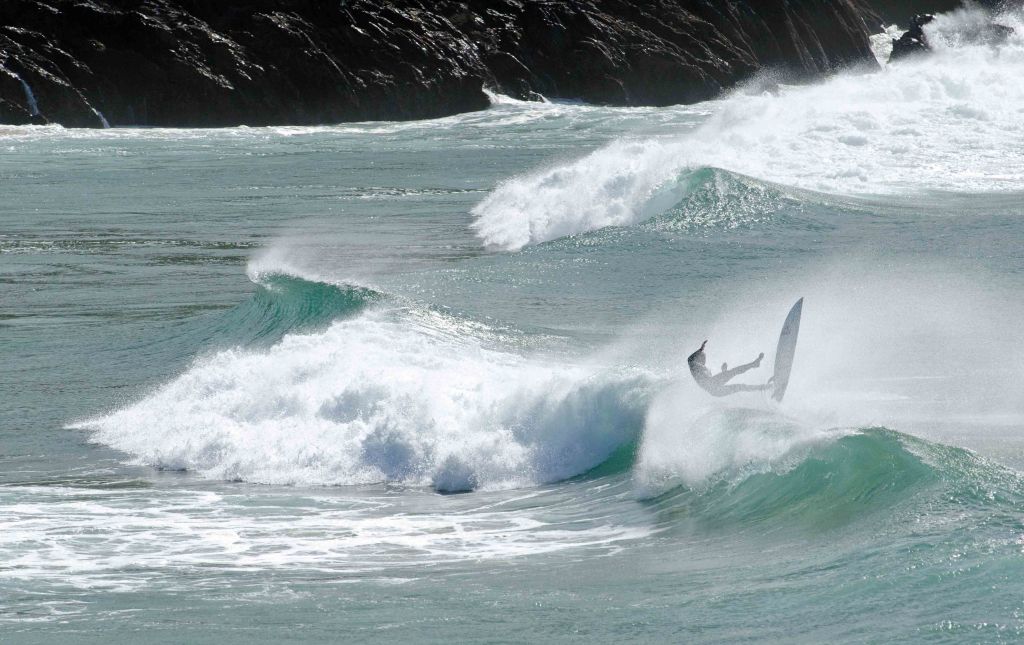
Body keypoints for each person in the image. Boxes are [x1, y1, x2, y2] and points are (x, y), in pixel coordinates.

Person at [687, 339, 772, 397]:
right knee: (736, 375)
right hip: (714, 386)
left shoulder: (702, 368)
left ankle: (763, 387)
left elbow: (714, 381)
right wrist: (700, 349)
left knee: (740, 385)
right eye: (703, 357)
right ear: (699, 358)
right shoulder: (695, 366)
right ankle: (754, 365)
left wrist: (724, 372)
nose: (705, 359)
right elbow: (689, 360)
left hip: (715, 391)